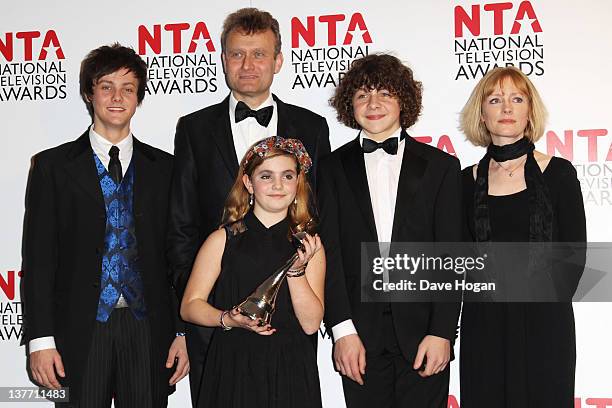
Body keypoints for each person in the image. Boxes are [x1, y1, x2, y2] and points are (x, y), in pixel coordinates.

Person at [167, 7, 330, 403]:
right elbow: (181, 230)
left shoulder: (311, 126)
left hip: (291, 337)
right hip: (217, 335)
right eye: (237, 53)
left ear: (277, 60)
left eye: (259, 54)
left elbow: (320, 217)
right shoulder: (194, 128)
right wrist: (189, 328)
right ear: (223, 60)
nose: (248, 64)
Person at [21, 43, 188, 407]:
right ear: (88, 93)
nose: (117, 97)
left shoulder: (166, 168)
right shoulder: (52, 168)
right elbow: (39, 260)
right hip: (78, 330)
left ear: (139, 97)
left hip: (149, 330)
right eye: (106, 86)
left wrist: (182, 330)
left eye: (128, 88)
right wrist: (40, 340)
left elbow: (177, 256)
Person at [318, 54, 462, 408]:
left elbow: (450, 254)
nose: (374, 103)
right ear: (349, 104)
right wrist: (342, 331)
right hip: (359, 338)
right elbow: (329, 254)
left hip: (424, 333)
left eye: (385, 92)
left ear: (404, 100)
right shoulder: (331, 168)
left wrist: (442, 331)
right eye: (363, 94)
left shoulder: (442, 167)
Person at [458, 66, 586, 407]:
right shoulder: (463, 183)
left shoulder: (559, 174)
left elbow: (574, 258)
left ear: (530, 111)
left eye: (517, 99)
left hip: (545, 325)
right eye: (495, 100)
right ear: (482, 114)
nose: (507, 108)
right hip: (483, 328)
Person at [180, 136, 325, 408]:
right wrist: (227, 319)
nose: (278, 185)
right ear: (248, 183)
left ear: (298, 183)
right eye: (266, 176)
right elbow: (189, 306)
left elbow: (311, 323)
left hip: (291, 369)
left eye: (288, 175)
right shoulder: (222, 239)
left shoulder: (309, 245)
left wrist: (296, 273)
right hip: (233, 365)